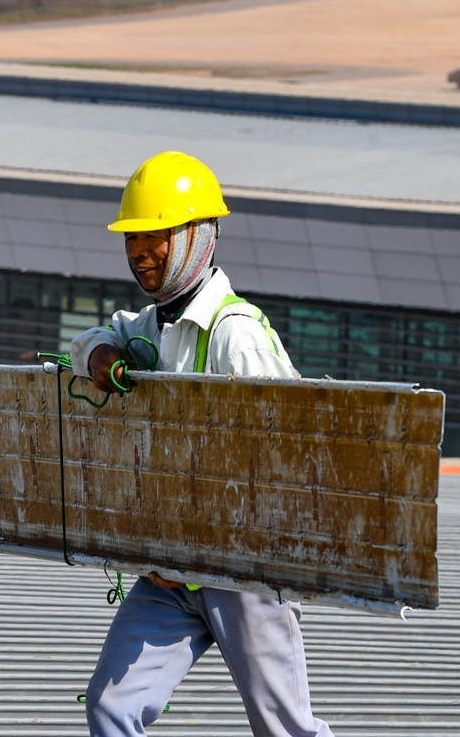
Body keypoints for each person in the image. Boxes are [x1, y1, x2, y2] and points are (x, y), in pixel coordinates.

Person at [70, 150, 332, 737]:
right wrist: (102, 358)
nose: (140, 253)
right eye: (133, 238)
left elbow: (294, 452)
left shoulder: (235, 334)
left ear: (196, 236)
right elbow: (87, 341)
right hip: (169, 573)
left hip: (243, 574)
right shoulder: (150, 326)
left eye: (155, 236)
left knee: (284, 728)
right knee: (110, 707)